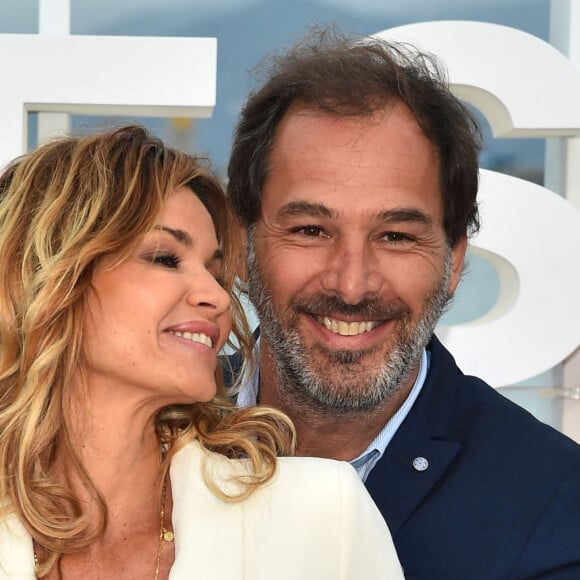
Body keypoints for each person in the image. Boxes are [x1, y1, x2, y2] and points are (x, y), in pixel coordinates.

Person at [226, 28, 580, 578]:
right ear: (242, 244)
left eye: (395, 236)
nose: (351, 286)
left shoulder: (554, 507)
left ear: (454, 261)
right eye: (311, 229)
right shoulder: (139, 432)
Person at [0, 125, 404, 579]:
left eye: (216, 274)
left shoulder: (321, 516)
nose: (215, 296)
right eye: (164, 258)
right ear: (47, 279)